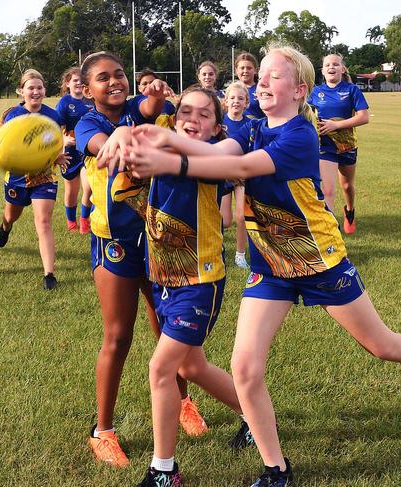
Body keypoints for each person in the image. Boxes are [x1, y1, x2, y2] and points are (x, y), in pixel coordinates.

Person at [122, 42, 401, 487]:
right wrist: (164, 135)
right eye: (259, 75)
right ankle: (276, 469)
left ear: (299, 90)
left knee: (382, 345)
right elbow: (220, 152)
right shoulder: (253, 127)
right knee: (245, 367)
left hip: (320, 263)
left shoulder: (300, 136)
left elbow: (239, 166)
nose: (261, 82)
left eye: (272, 77)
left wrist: (165, 158)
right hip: (271, 267)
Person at [75, 52, 206, 468]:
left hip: (158, 241)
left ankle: (184, 402)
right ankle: (103, 430)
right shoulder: (88, 123)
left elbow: (150, 107)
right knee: (118, 336)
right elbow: (102, 148)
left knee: (168, 330)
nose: (113, 82)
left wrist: (152, 97)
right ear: (87, 88)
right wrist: (120, 138)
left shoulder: (137, 109)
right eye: (102, 78)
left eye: (118, 74)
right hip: (115, 243)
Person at [123, 86, 254, 486]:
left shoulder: (211, 159)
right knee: (192, 366)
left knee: (161, 368)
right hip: (163, 280)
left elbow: (229, 160)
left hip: (199, 282)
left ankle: (164, 471)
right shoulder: (159, 157)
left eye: (203, 115)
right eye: (185, 113)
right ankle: (256, 416)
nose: (192, 120)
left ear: (216, 126)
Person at [0, 69, 67, 290]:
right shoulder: (13, 116)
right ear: (22, 91)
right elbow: (6, 147)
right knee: (11, 215)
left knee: (43, 221)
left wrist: (58, 154)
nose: (35, 92)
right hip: (17, 176)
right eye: (31, 88)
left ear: (44, 90)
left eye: (39, 88)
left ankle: (49, 274)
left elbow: (54, 141)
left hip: (44, 176)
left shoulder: (53, 116)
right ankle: (5, 227)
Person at [308, 53, 369, 234]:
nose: (331, 67)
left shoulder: (352, 90)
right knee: (327, 189)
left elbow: (363, 117)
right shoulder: (315, 92)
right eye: (327, 65)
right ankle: (330, 231)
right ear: (323, 70)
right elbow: (305, 113)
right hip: (325, 146)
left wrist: (336, 125)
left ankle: (349, 210)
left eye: (335, 64)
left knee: (347, 186)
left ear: (342, 69)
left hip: (347, 145)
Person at [55, 66, 95, 234]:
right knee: (72, 191)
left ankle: (85, 219)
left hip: (87, 152)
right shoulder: (64, 103)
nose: (79, 83)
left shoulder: (91, 101)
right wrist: (63, 139)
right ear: (68, 84)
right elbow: (56, 127)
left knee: (89, 187)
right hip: (69, 153)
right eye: (75, 80)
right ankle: (71, 220)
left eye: (81, 80)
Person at [221, 81, 251, 269]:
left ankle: (240, 255)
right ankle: (217, 249)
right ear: (225, 101)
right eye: (232, 98)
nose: (236, 101)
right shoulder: (219, 122)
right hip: (221, 175)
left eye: (240, 98)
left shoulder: (251, 124)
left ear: (247, 103)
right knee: (224, 220)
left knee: (242, 217)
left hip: (241, 177)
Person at [235, 51, 264, 119]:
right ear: (236, 70)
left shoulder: (261, 89)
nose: (245, 71)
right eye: (242, 68)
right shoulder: (230, 91)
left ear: (255, 70)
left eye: (249, 68)